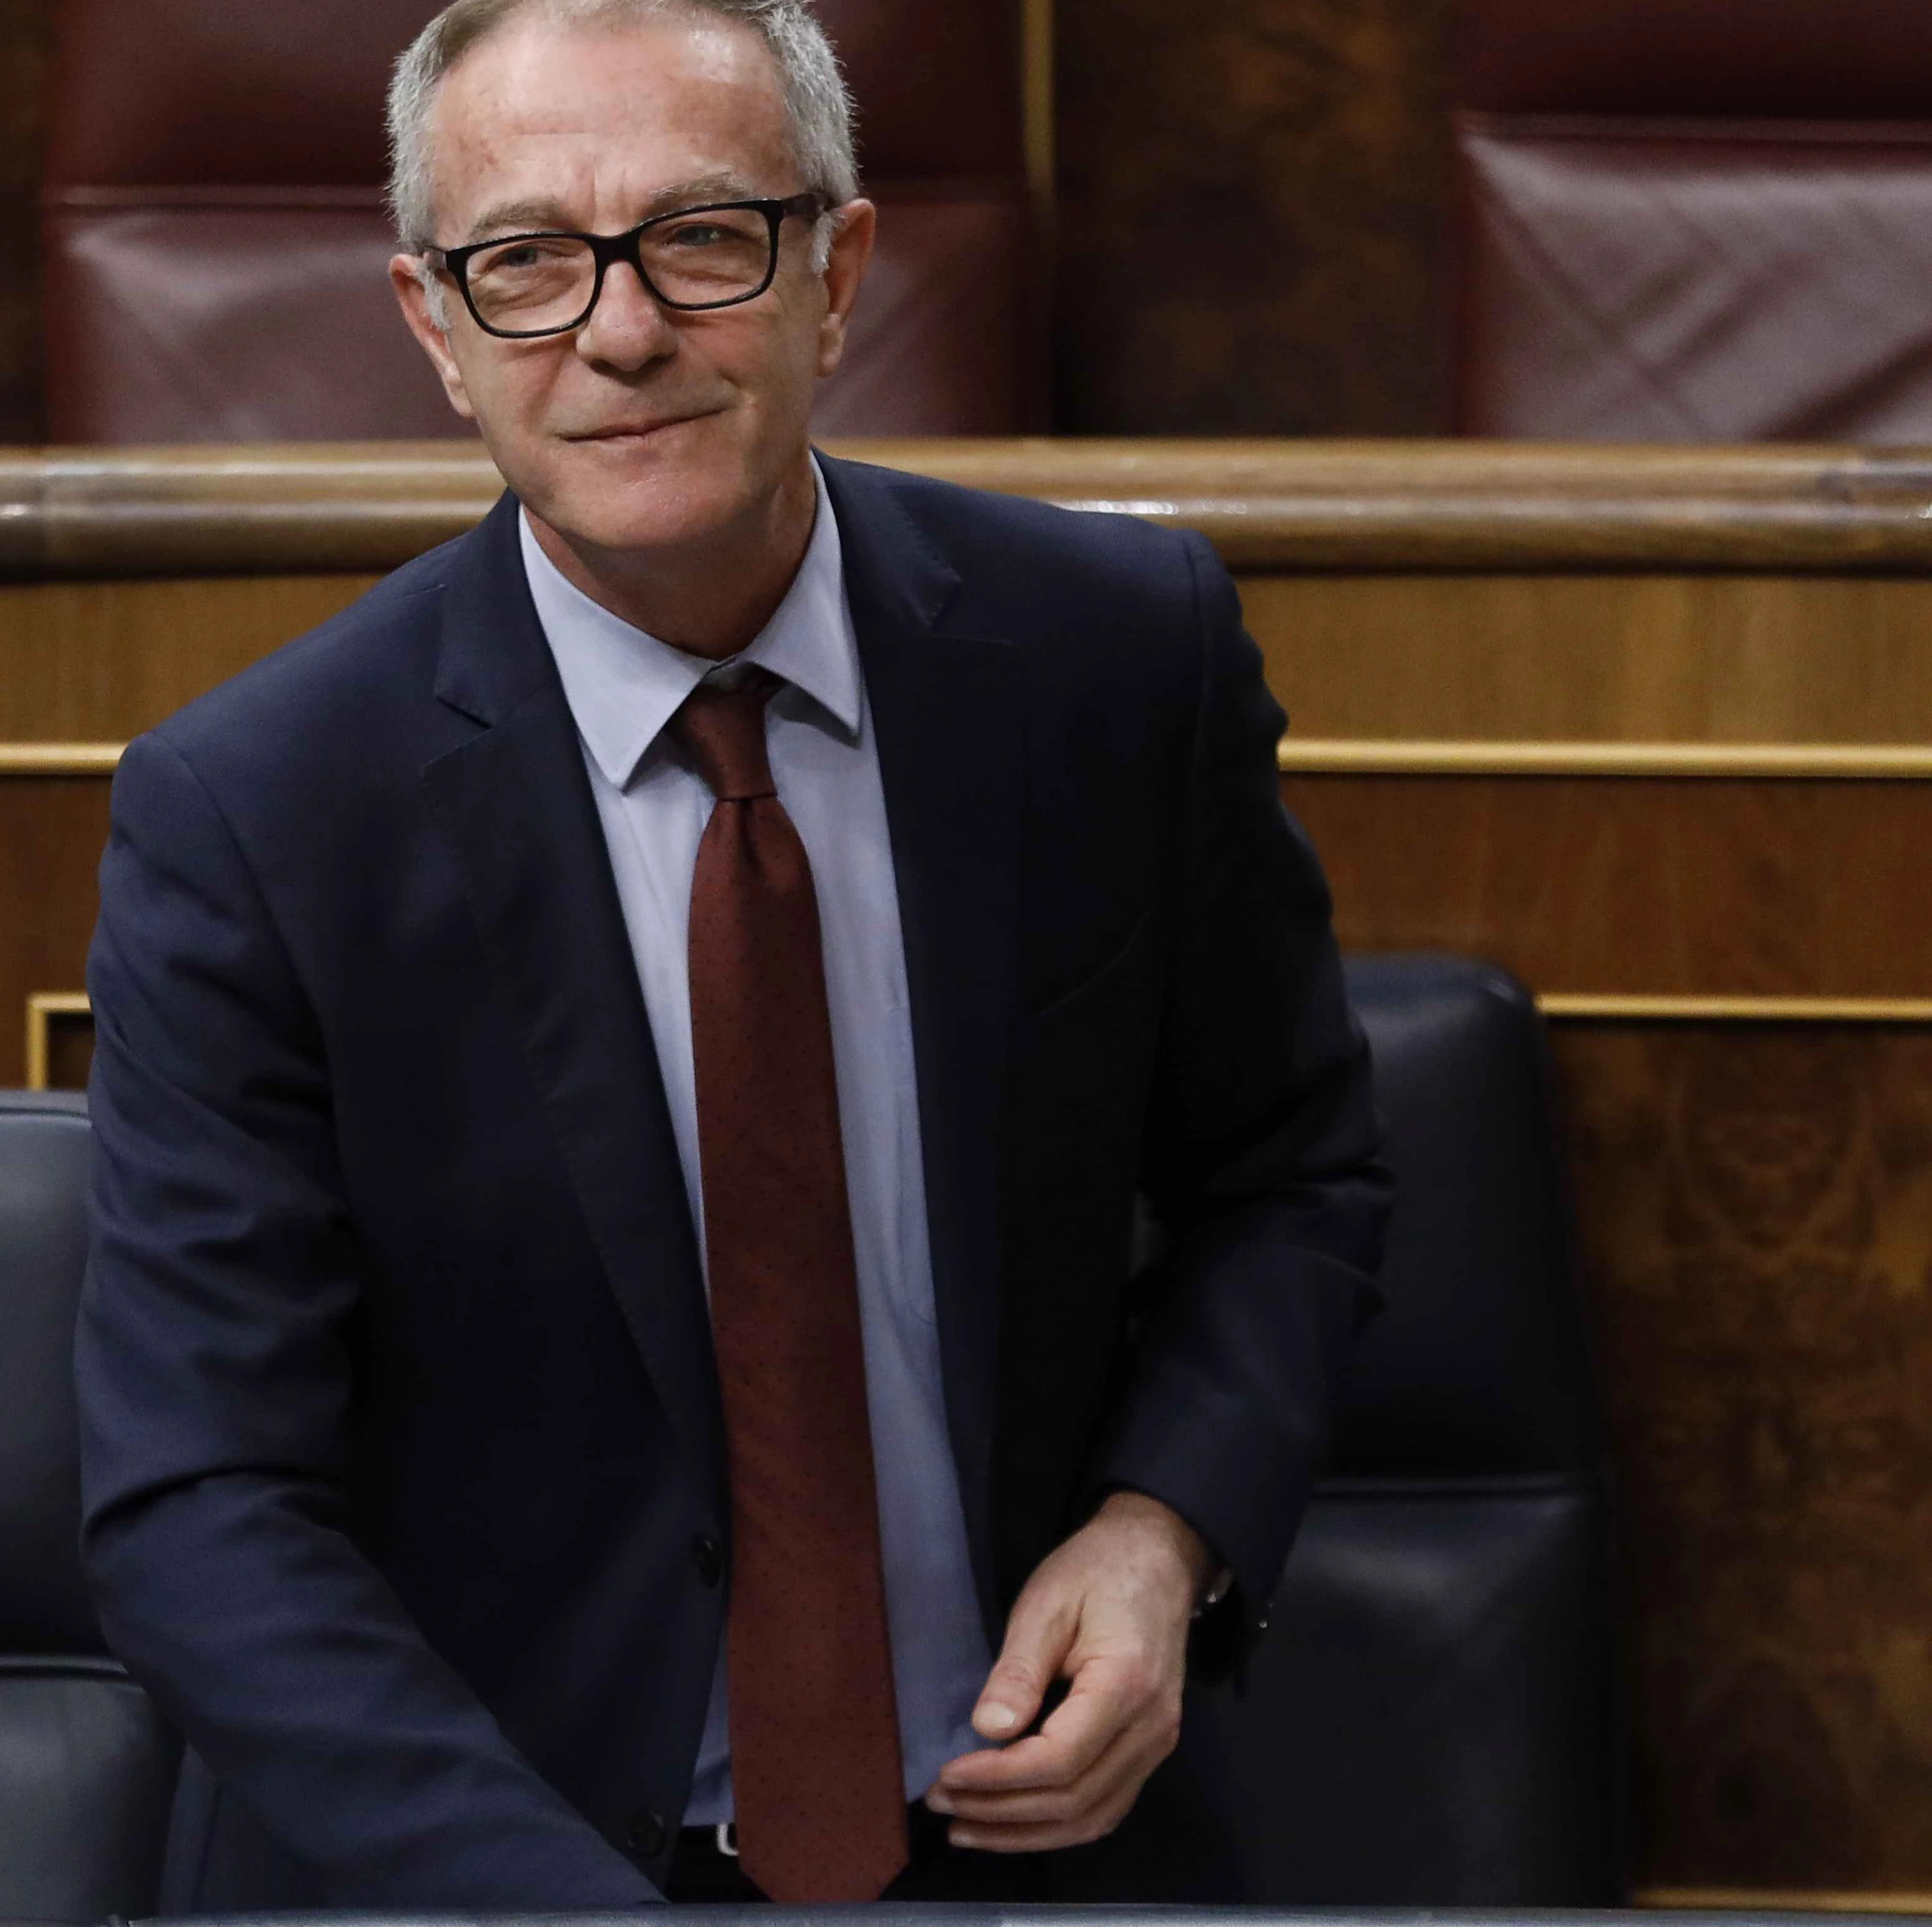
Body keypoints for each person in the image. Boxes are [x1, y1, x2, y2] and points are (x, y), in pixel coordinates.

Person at [73, 0, 1390, 1907]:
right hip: (499, 1868)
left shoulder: (1118, 660)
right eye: (525, 261)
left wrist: (1159, 1526)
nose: (620, 330)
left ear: (837, 269)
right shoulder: (260, 815)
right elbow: (197, 1505)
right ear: (436, 328)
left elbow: (1292, 1173)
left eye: (702, 237)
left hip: (1037, 1842)